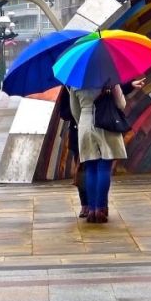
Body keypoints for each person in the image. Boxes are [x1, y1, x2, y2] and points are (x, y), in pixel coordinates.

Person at [69, 78, 145, 224]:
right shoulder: (110, 78)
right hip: (106, 124)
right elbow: (121, 104)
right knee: (104, 168)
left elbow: (75, 110)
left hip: (85, 125)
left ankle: (91, 210)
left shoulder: (75, 82)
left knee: (90, 168)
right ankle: (100, 209)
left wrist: (84, 121)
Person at [59, 87, 87, 217]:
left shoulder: (101, 79)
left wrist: (131, 84)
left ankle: (95, 204)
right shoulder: (67, 87)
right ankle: (85, 205)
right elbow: (63, 113)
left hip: (96, 131)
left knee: (94, 169)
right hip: (77, 133)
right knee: (81, 169)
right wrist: (76, 108)